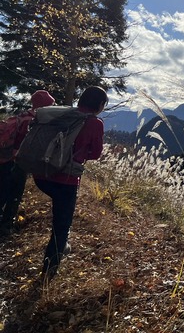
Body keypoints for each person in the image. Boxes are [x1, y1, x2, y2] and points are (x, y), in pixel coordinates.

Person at [34, 86, 108, 282]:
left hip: (41, 174)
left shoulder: (64, 113)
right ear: (100, 105)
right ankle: (49, 271)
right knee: (61, 225)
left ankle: (59, 250)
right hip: (66, 180)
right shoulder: (95, 123)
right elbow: (95, 154)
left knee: (58, 213)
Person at [0, 90, 56, 239]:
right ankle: (5, 228)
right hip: (17, 162)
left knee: (3, 191)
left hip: (4, 159)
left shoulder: (22, 115)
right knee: (14, 195)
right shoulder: (35, 120)